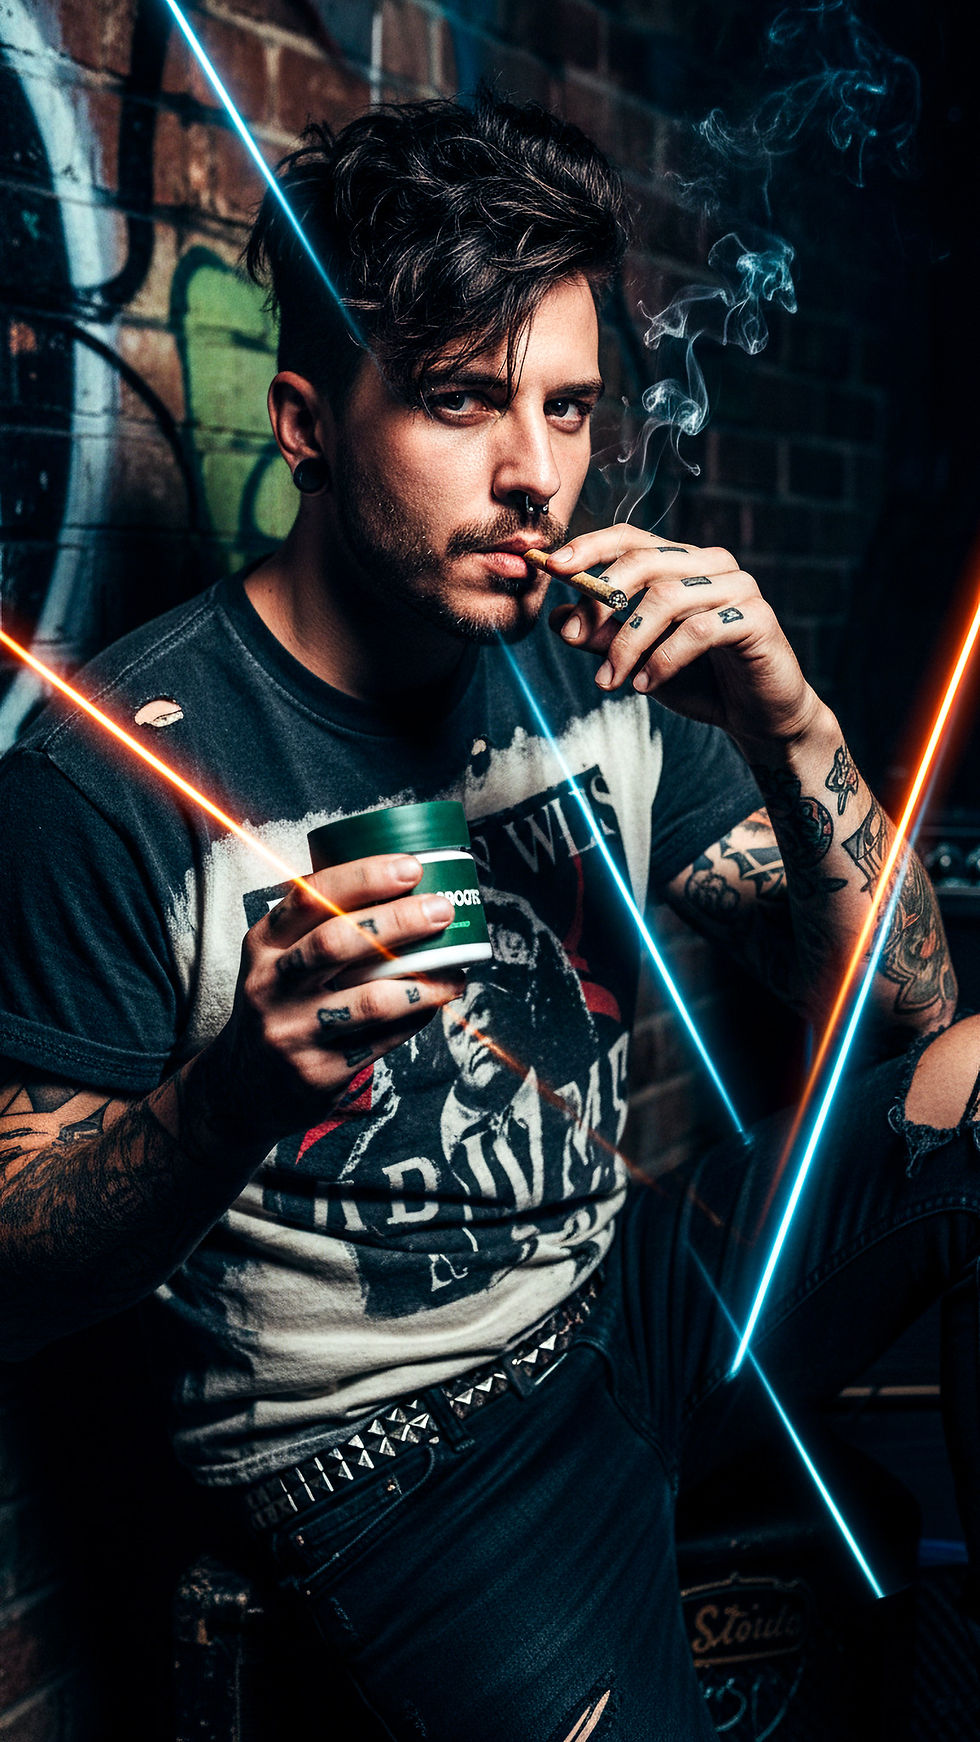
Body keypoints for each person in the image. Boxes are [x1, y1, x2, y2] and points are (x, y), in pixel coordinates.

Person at [1, 92, 979, 1739]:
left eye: (572, 407)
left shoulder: (600, 681)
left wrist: (792, 727)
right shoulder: (124, 767)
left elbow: (910, 1029)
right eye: (460, 402)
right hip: (405, 1459)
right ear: (309, 424)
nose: (537, 475)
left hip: (634, 1309)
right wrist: (229, 1087)